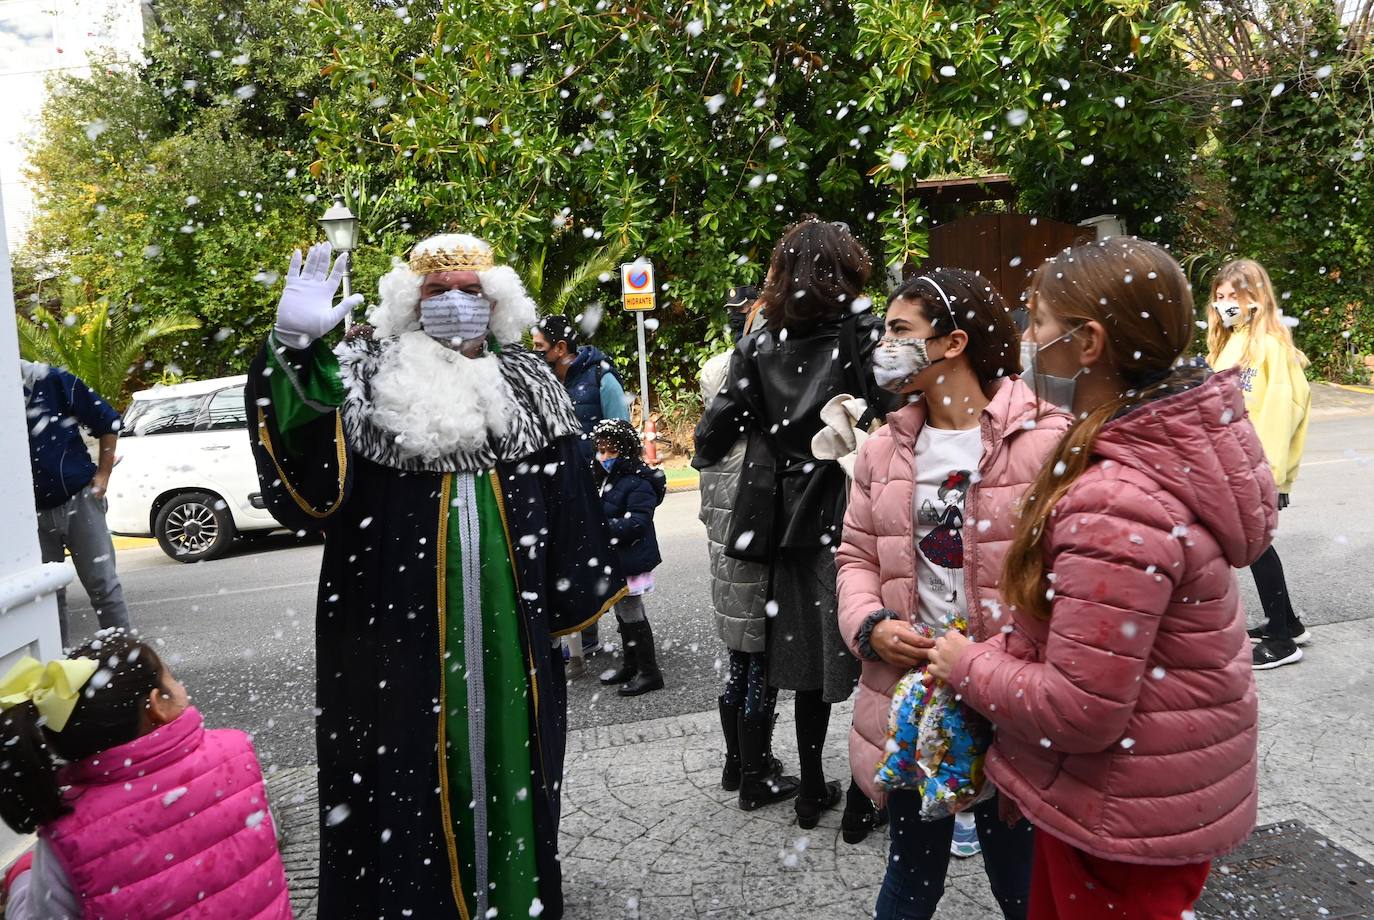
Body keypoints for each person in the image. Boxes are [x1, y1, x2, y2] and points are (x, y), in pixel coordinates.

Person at [246, 238, 625, 920]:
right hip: (392, 641)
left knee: (517, 769)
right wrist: (291, 351)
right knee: (403, 783)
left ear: (496, 301)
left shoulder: (532, 383)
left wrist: (577, 586)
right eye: (436, 292)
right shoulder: (365, 376)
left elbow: (568, 496)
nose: (455, 303)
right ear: (409, 304)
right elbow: (309, 474)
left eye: (469, 291)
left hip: (511, 637)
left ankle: (514, 902)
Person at [926, 237, 1272, 919]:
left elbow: (1079, 707)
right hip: (1149, 799)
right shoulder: (1162, 454)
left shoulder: (1115, 498)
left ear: (1087, 344)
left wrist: (967, 665)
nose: (1028, 340)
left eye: (1038, 322)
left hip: (1120, 819)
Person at [836, 268, 1069, 914]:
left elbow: (1069, 578)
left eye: (899, 331)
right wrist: (871, 627)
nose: (882, 345)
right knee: (910, 883)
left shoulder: (1044, 440)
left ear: (954, 343)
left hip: (1012, 708)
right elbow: (855, 557)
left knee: (1025, 887)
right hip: (916, 707)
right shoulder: (883, 450)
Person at [694, 217, 891, 830]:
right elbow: (902, 407)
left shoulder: (756, 345)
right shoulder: (863, 333)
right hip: (859, 509)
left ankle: (810, 790)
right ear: (847, 270)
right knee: (881, 654)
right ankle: (866, 798)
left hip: (786, 519)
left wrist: (764, 433)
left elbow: (708, 438)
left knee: (806, 662)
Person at [0, 633, 290, 918]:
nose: (181, 686)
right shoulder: (235, 755)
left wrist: (21, 879)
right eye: (172, 679)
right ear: (157, 706)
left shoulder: (69, 833)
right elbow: (264, 839)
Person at [697, 285, 800, 810]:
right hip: (755, 569)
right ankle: (758, 778)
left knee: (738, 660)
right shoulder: (758, 453)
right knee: (759, 663)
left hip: (725, 573)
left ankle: (737, 765)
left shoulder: (713, 445)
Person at [1208, 259, 1313, 670]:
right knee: (1256, 544)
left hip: (1253, 465)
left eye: (1235, 295)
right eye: (1219, 296)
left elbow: (1281, 412)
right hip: (1234, 461)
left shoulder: (1267, 345)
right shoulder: (1236, 339)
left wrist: (1265, 472)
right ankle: (1286, 621)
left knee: (1254, 546)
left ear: (1256, 298)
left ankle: (1282, 640)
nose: (1225, 304)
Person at [531, 313, 629, 656]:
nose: (535, 353)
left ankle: (632, 646)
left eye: (539, 347)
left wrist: (609, 474)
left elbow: (622, 433)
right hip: (560, 488)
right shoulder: (540, 380)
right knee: (568, 558)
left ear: (560, 347)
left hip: (600, 487)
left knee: (608, 559)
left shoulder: (601, 377)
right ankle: (578, 635)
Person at [20, 361, 133, 647]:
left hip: (79, 500)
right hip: (28, 515)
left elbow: (107, 421)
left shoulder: (53, 380)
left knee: (103, 586)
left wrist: (103, 475)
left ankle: (128, 664)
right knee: (48, 596)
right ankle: (58, 665)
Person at [591, 418, 667, 696]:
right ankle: (632, 664)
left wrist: (599, 529)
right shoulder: (608, 477)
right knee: (624, 612)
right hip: (622, 558)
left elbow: (637, 522)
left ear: (626, 450)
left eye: (612, 451)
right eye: (601, 450)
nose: (606, 457)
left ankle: (649, 671)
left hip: (632, 558)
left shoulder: (636, 480)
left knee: (632, 612)